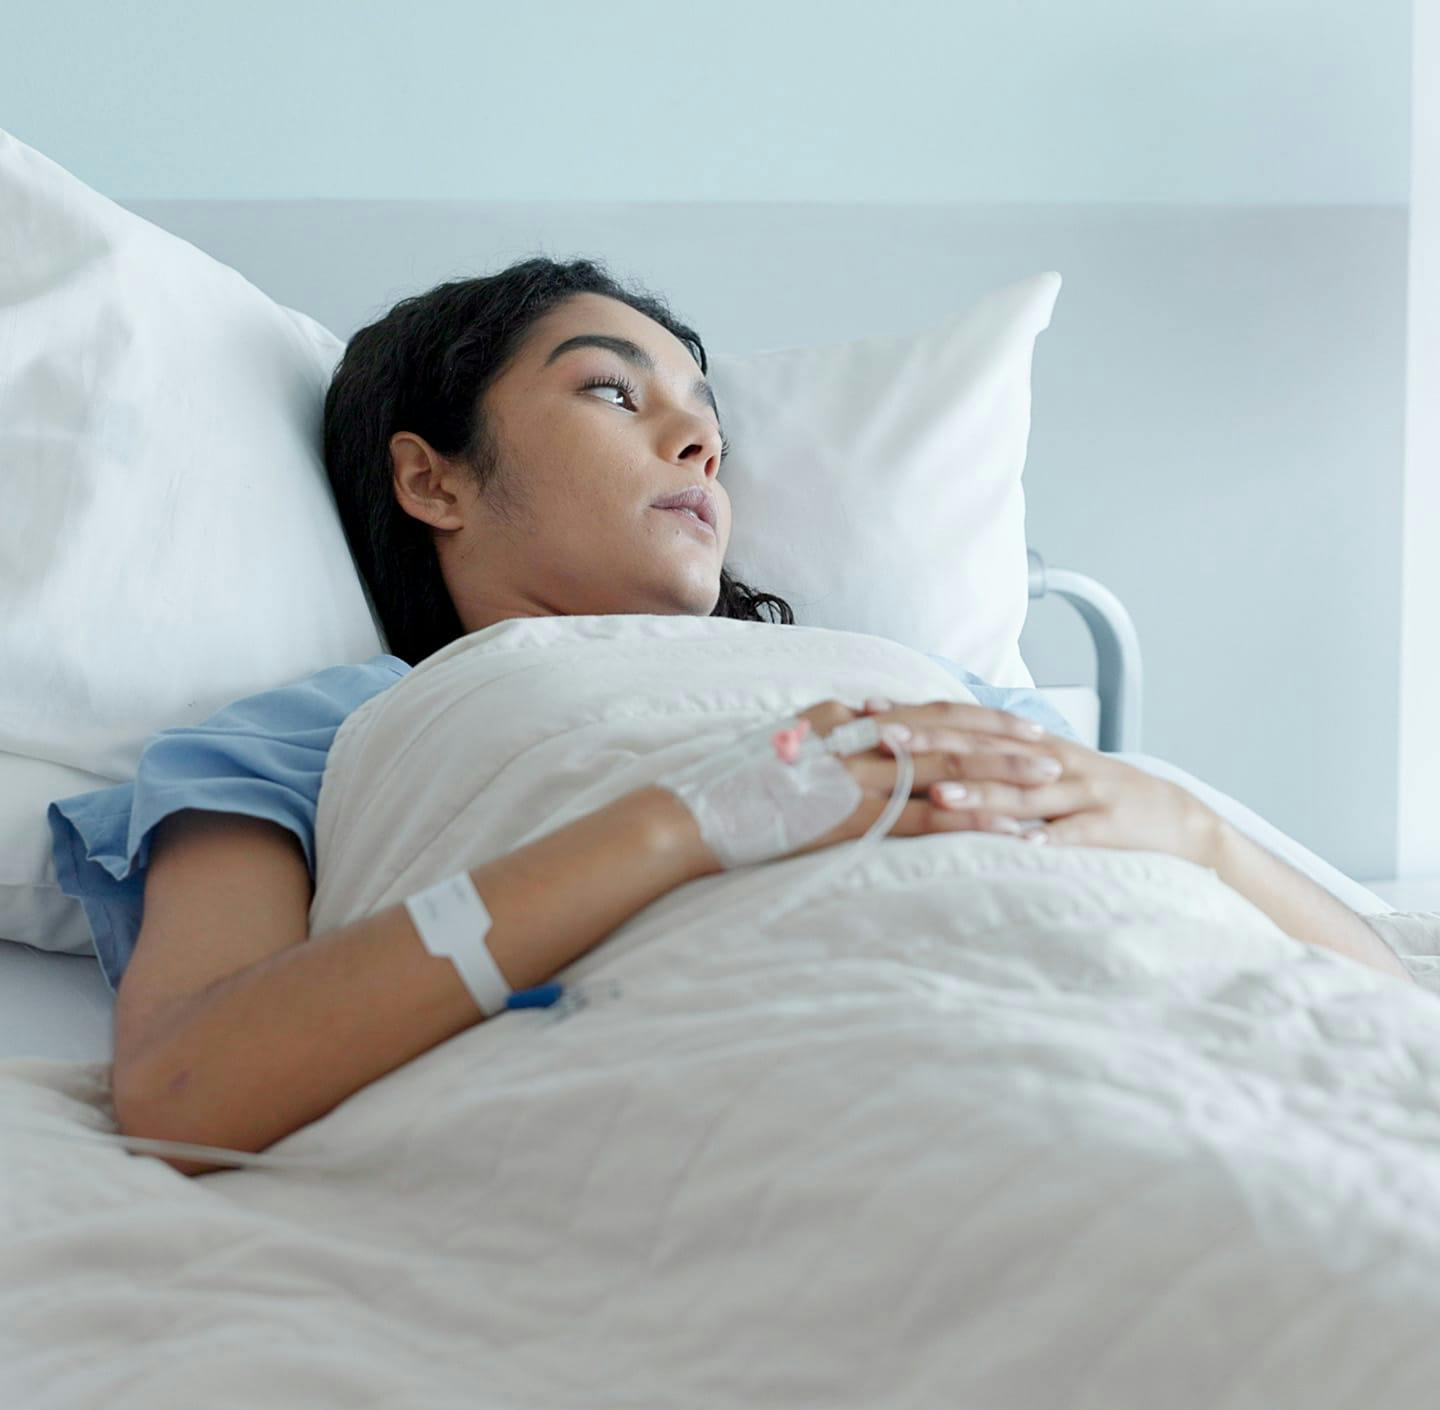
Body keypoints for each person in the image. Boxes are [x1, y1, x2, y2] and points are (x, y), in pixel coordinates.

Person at [48, 257, 1414, 1177]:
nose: (698, 441)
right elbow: (186, 1092)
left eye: (705, 415)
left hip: (1136, 1048)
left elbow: (1388, 997)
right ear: (433, 479)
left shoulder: (908, 674)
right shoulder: (319, 731)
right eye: (611, 390)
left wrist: (1187, 830)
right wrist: (680, 827)